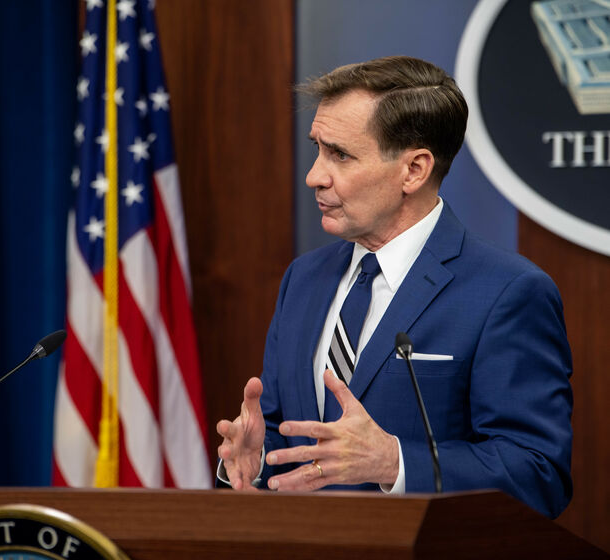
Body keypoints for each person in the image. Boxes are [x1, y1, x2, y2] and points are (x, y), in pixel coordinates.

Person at [215, 56, 573, 519]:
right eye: (317, 149)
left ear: (414, 170)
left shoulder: (508, 293)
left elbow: (539, 474)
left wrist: (395, 463)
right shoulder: (304, 278)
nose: (314, 176)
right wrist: (256, 460)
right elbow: (288, 434)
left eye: (340, 155)